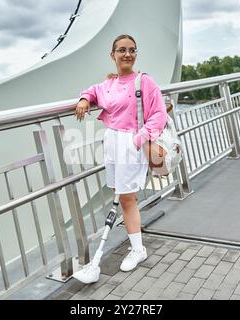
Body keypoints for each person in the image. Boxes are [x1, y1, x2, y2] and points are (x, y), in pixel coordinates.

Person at [75, 34, 167, 272]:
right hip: (112, 141)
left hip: (131, 142)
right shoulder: (109, 85)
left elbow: (159, 114)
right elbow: (93, 90)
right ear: (112, 55)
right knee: (121, 195)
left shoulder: (144, 81)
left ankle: (138, 249)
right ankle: (136, 246)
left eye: (132, 50)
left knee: (126, 197)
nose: (127, 54)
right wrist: (85, 99)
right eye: (122, 50)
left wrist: (139, 139)